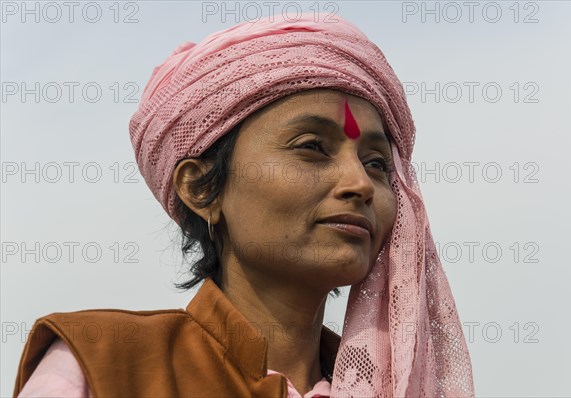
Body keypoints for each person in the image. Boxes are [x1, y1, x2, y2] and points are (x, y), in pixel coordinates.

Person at [13, 14, 475, 398]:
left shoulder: (401, 385)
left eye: (377, 163)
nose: (360, 184)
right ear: (201, 188)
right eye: (312, 147)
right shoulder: (106, 365)